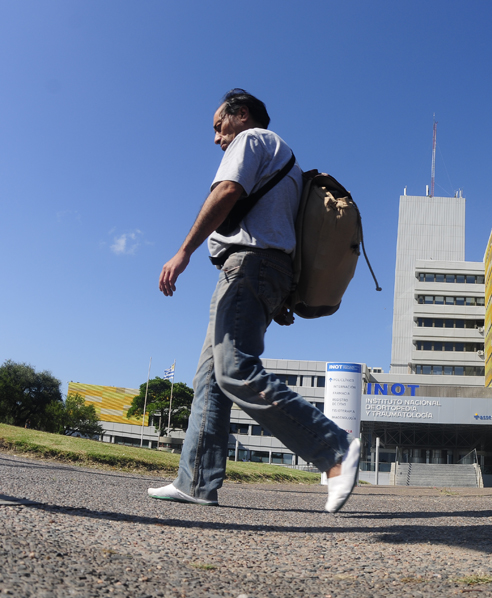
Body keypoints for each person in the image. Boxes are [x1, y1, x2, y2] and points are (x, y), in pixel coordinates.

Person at [148, 89, 359, 513]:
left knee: (234, 368)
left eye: (218, 126)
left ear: (241, 114)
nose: (216, 138)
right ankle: (196, 481)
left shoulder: (252, 139)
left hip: (248, 265)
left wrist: (184, 251)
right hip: (263, 270)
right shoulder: (286, 160)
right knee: (211, 379)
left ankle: (334, 449)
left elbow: (227, 190)